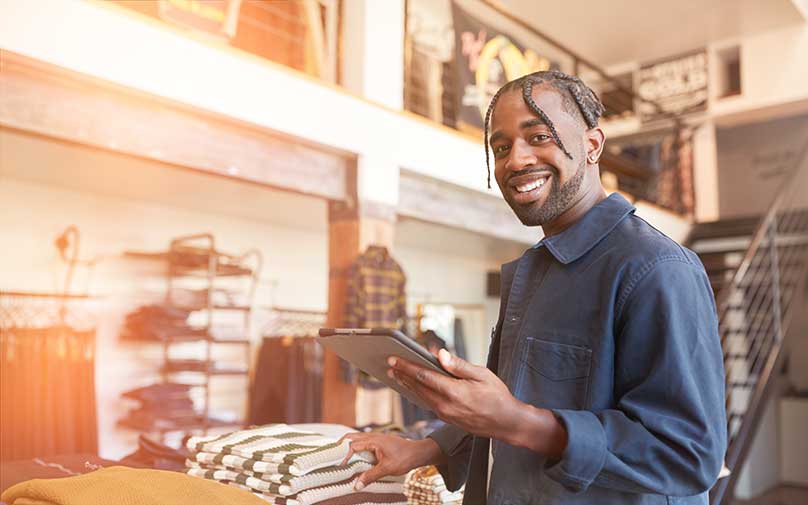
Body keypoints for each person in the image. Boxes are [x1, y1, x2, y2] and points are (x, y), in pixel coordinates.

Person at [342, 70, 727, 505]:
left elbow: (690, 455)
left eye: (538, 136)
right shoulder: (535, 269)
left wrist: (517, 422)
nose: (516, 160)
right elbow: (512, 407)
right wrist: (426, 448)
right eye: (501, 147)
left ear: (593, 146)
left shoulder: (657, 269)